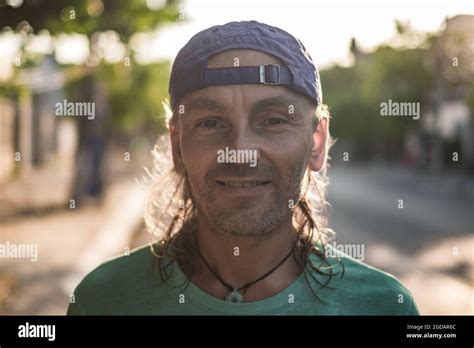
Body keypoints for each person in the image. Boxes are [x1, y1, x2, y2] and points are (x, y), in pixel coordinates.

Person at [67, 20, 419, 315]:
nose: (240, 152)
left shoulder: (384, 307)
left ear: (316, 142)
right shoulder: (101, 302)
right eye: (210, 123)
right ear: (177, 144)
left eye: (274, 120)